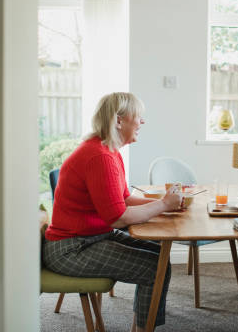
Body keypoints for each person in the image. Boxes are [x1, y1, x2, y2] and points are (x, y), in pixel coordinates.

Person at [43, 92, 182, 332]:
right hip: (71, 249)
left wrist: (164, 202)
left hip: (91, 238)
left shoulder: (109, 151)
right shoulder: (99, 157)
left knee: (160, 257)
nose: (142, 122)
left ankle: (142, 325)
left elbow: (125, 199)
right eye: (138, 116)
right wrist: (162, 206)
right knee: (153, 268)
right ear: (119, 120)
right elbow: (118, 218)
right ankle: (143, 328)